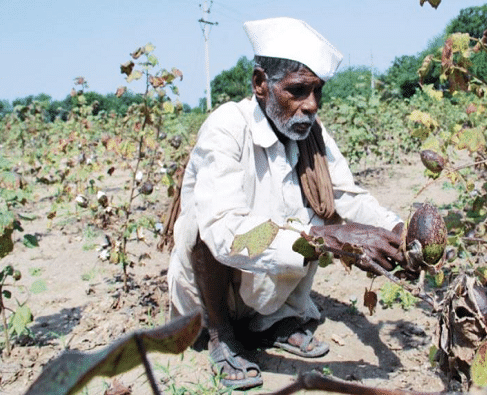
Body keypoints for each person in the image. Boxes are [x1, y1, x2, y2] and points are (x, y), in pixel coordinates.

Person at [167, 17, 406, 389]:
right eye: (298, 90)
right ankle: (221, 334)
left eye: (317, 92)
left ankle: (272, 322)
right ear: (261, 84)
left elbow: (348, 196)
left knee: (322, 207)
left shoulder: (313, 134)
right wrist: (330, 238)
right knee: (203, 224)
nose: (311, 105)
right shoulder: (228, 126)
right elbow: (226, 233)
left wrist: (397, 231)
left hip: (267, 291)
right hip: (220, 291)